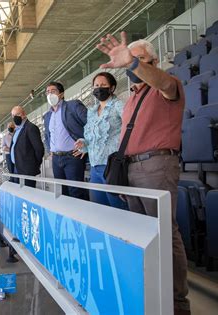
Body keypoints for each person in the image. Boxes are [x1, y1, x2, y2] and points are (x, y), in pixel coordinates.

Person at [96, 31, 189, 315]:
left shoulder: (168, 85)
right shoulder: (133, 98)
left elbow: (162, 82)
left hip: (156, 166)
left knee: (163, 231)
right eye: (130, 62)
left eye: (139, 61)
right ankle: (150, 292)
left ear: (154, 61)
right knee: (140, 232)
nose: (132, 67)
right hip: (132, 169)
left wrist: (133, 63)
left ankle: (176, 302)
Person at [73, 72, 128, 209]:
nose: (99, 88)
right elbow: (89, 138)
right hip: (95, 166)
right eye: (96, 85)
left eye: (103, 85)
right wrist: (83, 143)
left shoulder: (118, 105)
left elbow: (130, 129)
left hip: (112, 166)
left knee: (118, 209)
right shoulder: (91, 111)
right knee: (99, 209)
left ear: (112, 88)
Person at [43, 82, 88, 200]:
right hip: (56, 159)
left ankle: (79, 216)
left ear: (61, 94)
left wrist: (86, 143)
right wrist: (50, 150)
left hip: (72, 156)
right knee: (62, 192)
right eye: (47, 92)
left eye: (53, 91)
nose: (49, 94)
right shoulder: (47, 116)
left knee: (76, 192)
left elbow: (90, 123)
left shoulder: (73, 106)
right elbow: (47, 135)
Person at [10, 105, 44, 188]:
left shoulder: (31, 128)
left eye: (17, 114)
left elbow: (39, 149)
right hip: (16, 168)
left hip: (27, 170)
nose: (15, 117)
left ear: (24, 114)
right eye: (13, 116)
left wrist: (33, 165)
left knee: (27, 194)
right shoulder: (16, 130)